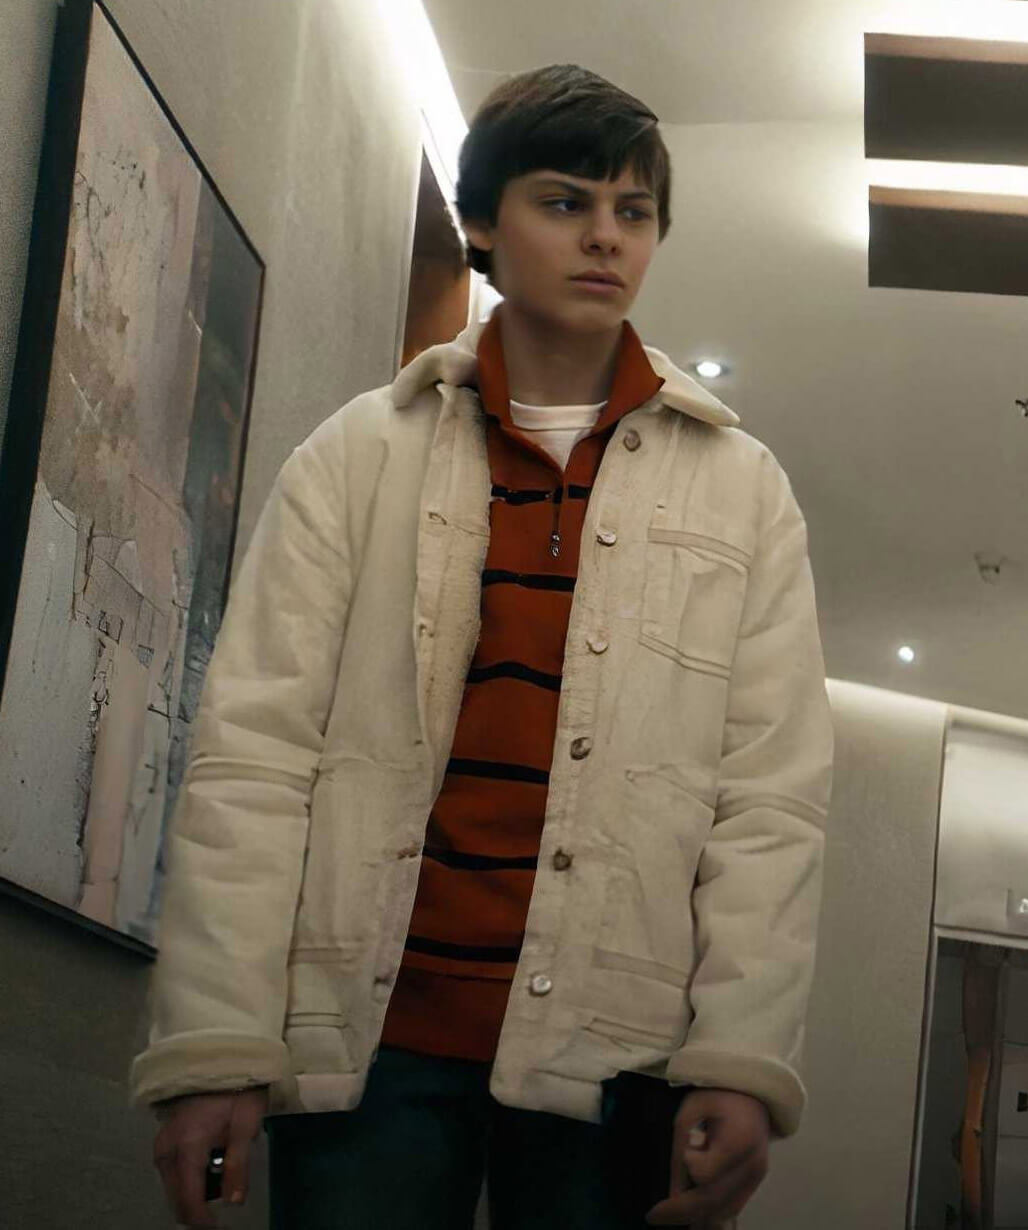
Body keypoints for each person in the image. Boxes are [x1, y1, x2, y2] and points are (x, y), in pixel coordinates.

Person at [130, 63, 834, 1230]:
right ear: (481, 225)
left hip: (618, 1052)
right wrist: (214, 1042)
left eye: (633, 211)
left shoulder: (742, 491)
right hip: (368, 1043)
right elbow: (253, 756)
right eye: (564, 202)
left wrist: (741, 1055)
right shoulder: (358, 455)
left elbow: (770, 800)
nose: (605, 236)